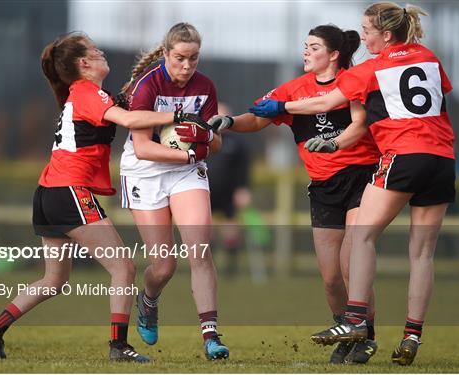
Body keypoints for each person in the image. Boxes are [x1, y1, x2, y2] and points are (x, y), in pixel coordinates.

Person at [249, 2, 456, 366]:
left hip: (404, 156)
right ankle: (411, 336)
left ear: (386, 35)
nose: (361, 36)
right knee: (422, 254)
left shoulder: (371, 68)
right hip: (443, 159)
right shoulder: (429, 57)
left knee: (361, 236)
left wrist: (280, 108)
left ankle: (356, 319)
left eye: (367, 30)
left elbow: (325, 101)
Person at [0, 31, 196, 363]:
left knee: (54, 280)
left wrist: (123, 100)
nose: (101, 52)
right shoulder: (88, 93)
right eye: (95, 51)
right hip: (68, 191)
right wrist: (177, 116)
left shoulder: (85, 94)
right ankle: (118, 347)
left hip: (49, 193)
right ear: (84, 63)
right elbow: (132, 119)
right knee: (124, 267)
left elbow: (115, 114)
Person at [210, 25, 381, 364]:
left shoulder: (353, 82)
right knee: (331, 277)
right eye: (305, 46)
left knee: (351, 261)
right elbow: (257, 119)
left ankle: (365, 333)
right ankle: (344, 331)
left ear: (333, 54)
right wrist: (229, 121)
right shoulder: (293, 89)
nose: (305, 52)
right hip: (322, 186)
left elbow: (360, 125)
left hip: (362, 177)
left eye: (313, 47)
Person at [119, 23, 229, 360]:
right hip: (146, 171)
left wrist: (207, 136)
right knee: (164, 266)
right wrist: (188, 152)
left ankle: (211, 336)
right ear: (166, 54)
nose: (186, 66)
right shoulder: (146, 86)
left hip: (185, 172)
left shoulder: (205, 86)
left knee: (199, 248)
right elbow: (143, 148)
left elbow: (216, 143)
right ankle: (149, 300)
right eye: (179, 58)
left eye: (193, 59)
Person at [207, 102, 252, 277]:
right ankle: (208, 268)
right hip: (206, 192)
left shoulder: (237, 143)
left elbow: (244, 168)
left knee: (231, 232)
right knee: (206, 233)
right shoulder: (204, 139)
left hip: (228, 194)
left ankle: (231, 271)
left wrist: (243, 189)